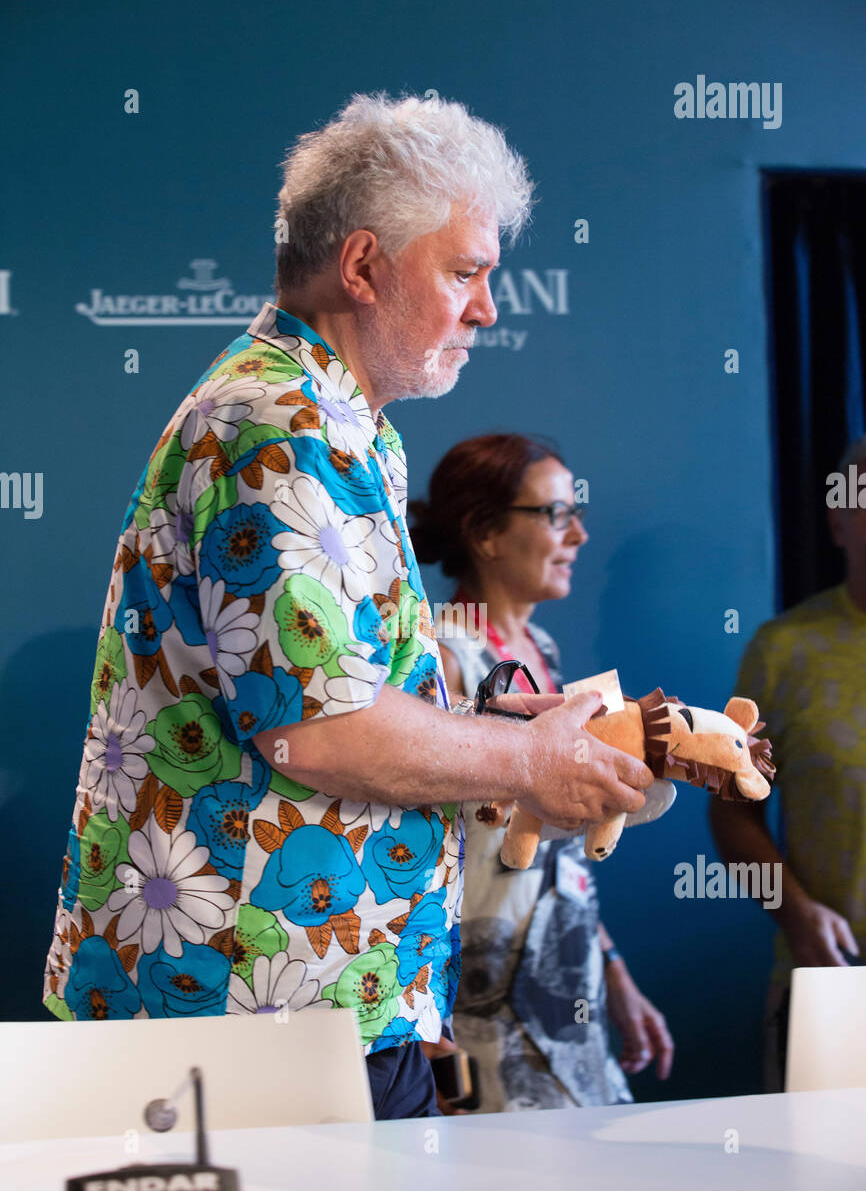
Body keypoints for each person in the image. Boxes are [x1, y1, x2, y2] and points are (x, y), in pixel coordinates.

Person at [42, 91, 654, 1122]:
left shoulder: (342, 422)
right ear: (364, 267)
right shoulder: (277, 421)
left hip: (317, 995)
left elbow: (346, 693)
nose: (487, 308)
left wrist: (511, 736)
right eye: (463, 272)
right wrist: (526, 763)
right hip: (253, 1007)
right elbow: (320, 731)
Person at [410, 432, 674, 1110]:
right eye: (556, 515)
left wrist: (614, 972)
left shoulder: (541, 648)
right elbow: (415, 851)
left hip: (563, 978)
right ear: (486, 534)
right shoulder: (440, 657)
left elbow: (563, 842)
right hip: (478, 997)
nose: (580, 534)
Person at [710, 434, 866, 1091]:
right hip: (835, 983)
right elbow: (733, 813)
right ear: (838, 518)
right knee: (816, 1184)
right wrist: (795, 912)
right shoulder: (784, 651)